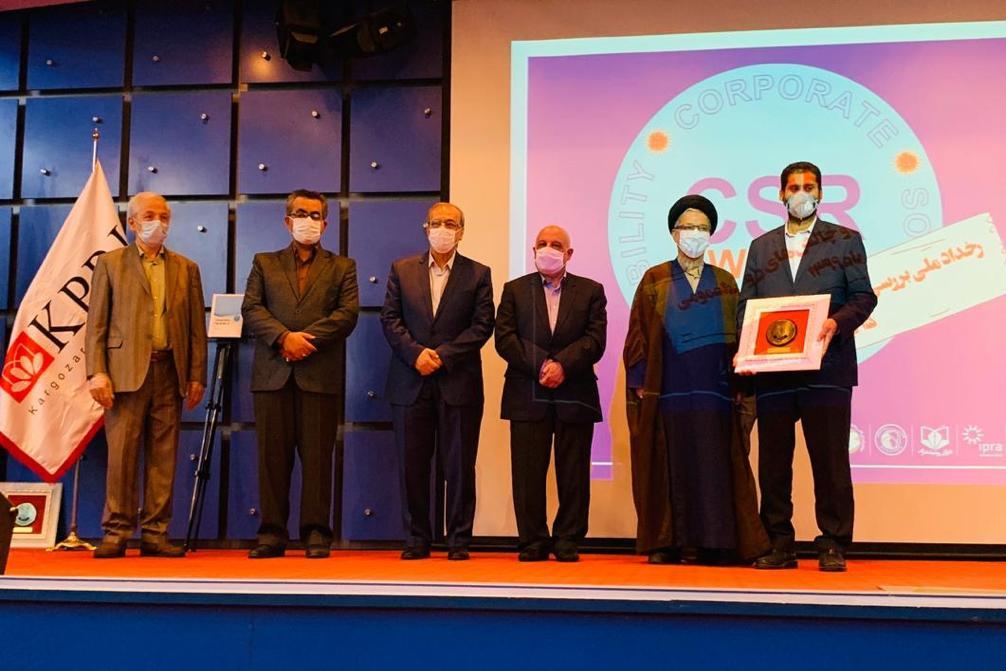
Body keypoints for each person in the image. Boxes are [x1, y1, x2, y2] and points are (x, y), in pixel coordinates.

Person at [738, 162, 877, 572]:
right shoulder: (761, 246)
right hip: (773, 370)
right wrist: (747, 351)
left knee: (830, 461)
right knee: (773, 464)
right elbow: (747, 305)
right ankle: (778, 542)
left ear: (821, 193)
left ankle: (833, 542)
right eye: (794, 187)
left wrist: (837, 323)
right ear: (781, 194)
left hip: (828, 368)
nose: (801, 193)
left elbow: (864, 297)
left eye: (809, 186)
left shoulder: (845, 240)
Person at [624, 195, 769, 566]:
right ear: (674, 233)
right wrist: (640, 380)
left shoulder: (724, 281)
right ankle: (667, 543)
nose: (694, 234)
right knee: (669, 465)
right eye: (688, 227)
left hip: (714, 393)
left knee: (713, 466)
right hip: (668, 391)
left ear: (711, 234)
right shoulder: (655, 279)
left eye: (702, 228)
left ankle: (714, 543)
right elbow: (638, 331)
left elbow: (740, 335)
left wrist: (740, 384)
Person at [86, 191, 207, 559]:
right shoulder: (110, 263)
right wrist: (97, 372)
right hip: (123, 375)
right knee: (121, 456)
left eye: (165, 216)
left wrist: (197, 375)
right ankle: (116, 532)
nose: (159, 223)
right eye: (151, 216)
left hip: (170, 371)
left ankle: (156, 532)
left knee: (164, 457)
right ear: (133, 222)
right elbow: (96, 325)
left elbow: (195, 329)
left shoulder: (187, 268)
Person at [241, 189, 359, 559]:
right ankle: (272, 534)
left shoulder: (343, 267)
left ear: (325, 223)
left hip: (319, 375)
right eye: (301, 214)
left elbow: (346, 315)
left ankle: (316, 534)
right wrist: (283, 338)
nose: (308, 221)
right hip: (272, 376)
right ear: (287, 220)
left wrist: (304, 341)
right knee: (272, 461)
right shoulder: (264, 262)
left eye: (315, 215)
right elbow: (251, 308)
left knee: (318, 460)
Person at [380, 202, 494, 561]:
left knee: (459, 465)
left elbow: (482, 325)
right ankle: (416, 538)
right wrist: (416, 354)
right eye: (436, 223)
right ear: (425, 228)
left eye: (451, 223)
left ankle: (459, 540)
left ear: (461, 231)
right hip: (409, 380)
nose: (443, 229)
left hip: (458, 382)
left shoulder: (478, 273)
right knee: (412, 465)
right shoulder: (402, 269)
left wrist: (443, 355)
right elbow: (390, 319)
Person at [495, 225, 607, 562]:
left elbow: (595, 340)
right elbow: (505, 338)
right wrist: (542, 364)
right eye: (542, 244)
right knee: (527, 473)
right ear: (533, 251)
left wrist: (562, 365)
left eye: (556, 245)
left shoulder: (591, 291)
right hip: (527, 390)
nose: (548, 249)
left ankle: (568, 539)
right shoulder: (515, 290)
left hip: (575, 390)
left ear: (569, 253)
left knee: (573, 473)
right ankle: (533, 540)